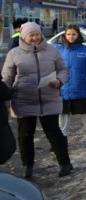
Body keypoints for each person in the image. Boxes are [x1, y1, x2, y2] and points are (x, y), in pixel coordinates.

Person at [1, 22, 73, 178]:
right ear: (24, 37)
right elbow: (6, 79)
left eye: (37, 34)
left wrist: (59, 81)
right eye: (31, 35)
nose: (35, 38)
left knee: (54, 132)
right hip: (23, 100)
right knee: (25, 135)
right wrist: (6, 102)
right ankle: (28, 167)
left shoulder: (52, 51)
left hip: (49, 99)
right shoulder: (13, 53)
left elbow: (63, 70)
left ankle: (65, 164)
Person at [53, 24, 86, 148]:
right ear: (65, 35)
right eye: (68, 34)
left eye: (74, 34)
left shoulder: (85, 50)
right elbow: (54, 70)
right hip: (63, 89)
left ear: (78, 35)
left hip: (81, 88)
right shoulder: (58, 50)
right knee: (63, 116)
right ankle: (62, 139)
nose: (71, 37)